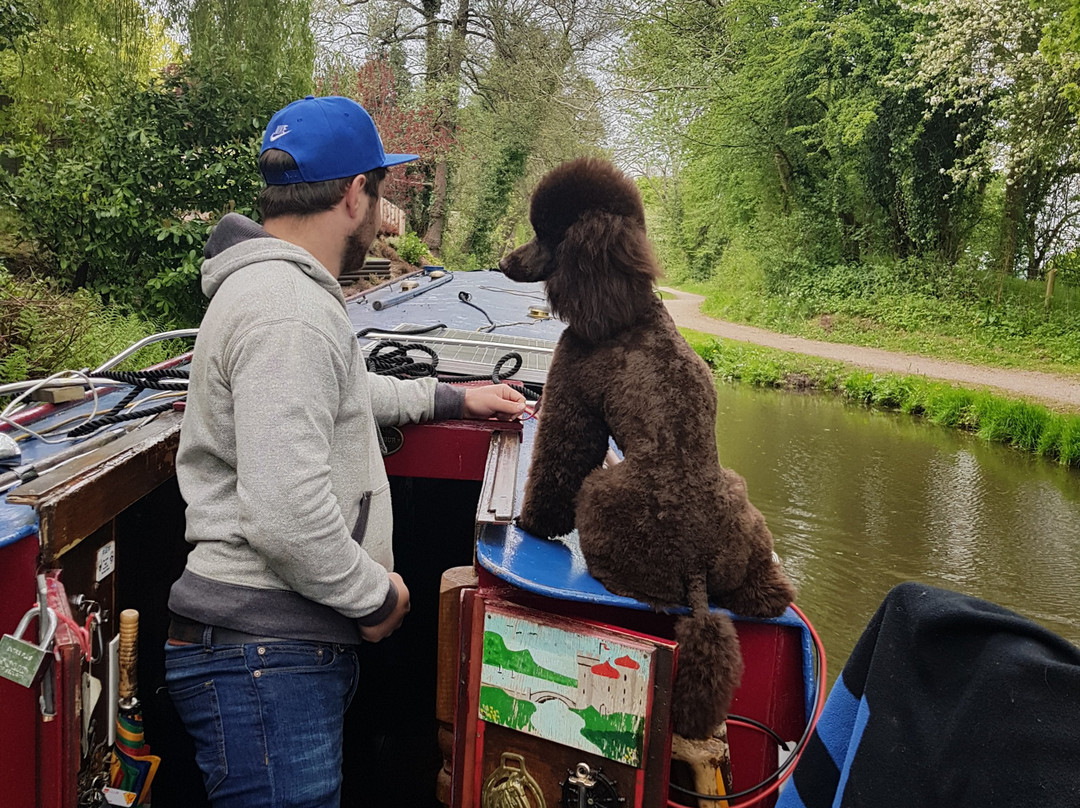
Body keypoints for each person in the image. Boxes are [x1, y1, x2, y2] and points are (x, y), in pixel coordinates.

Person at [163, 95, 525, 807]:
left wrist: (454, 399)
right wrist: (375, 595)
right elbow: (284, 512)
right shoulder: (287, 311)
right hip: (265, 657)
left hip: (266, 656)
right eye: (379, 189)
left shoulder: (277, 297)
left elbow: (343, 389)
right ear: (357, 193)